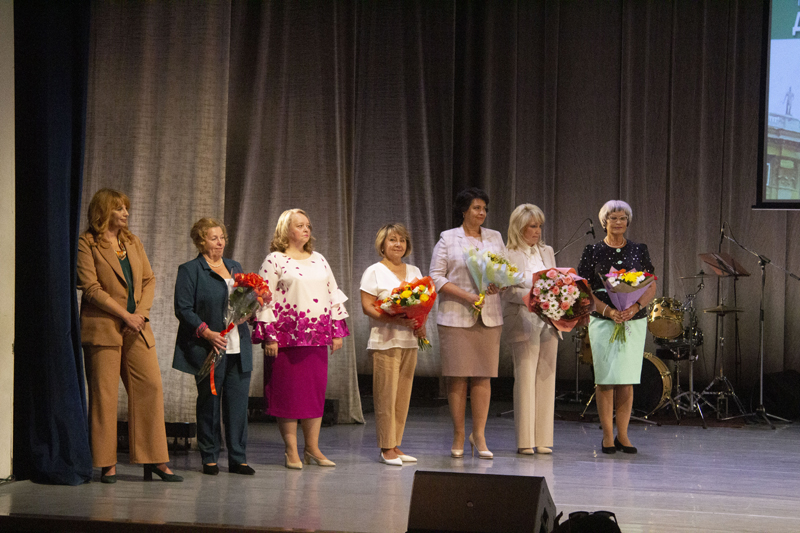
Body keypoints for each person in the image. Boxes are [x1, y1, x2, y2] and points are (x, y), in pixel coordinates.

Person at [76, 188, 182, 483]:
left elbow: (148, 279)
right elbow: (91, 288)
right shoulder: (87, 243)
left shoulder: (132, 242)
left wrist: (141, 316)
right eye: (119, 208)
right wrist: (125, 315)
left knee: (150, 386)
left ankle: (154, 459)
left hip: (137, 327)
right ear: (103, 211)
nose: (125, 213)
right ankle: (106, 463)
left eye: (126, 208)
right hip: (104, 328)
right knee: (105, 395)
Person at [253, 209, 349, 469]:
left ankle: (312, 448)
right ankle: (291, 450)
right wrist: (270, 336)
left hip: (316, 337)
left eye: (308, 225)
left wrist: (337, 330)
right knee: (288, 394)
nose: (306, 229)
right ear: (286, 230)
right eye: (299, 225)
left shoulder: (319, 259)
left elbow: (332, 293)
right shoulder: (275, 260)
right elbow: (264, 297)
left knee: (313, 394)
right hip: (286, 339)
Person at [173, 218, 255, 476]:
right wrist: (207, 332)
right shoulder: (190, 270)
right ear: (201, 241)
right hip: (209, 347)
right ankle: (209, 457)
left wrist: (249, 310)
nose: (220, 243)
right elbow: (183, 308)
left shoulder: (234, 266)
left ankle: (238, 458)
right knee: (209, 403)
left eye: (222, 237)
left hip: (238, 347)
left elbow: (244, 301)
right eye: (213, 238)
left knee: (238, 406)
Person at [429, 187, 504, 459]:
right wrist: (468, 296)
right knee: (458, 377)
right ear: (464, 211)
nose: (482, 213)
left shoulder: (495, 237)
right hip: (456, 316)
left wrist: (499, 284)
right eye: (476, 208)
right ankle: (459, 434)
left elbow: (504, 271)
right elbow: (436, 277)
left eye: (484, 208)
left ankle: (479, 435)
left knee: (483, 375)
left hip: (489, 316)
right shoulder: (448, 238)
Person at [577, 200, 656, 455]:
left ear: (628, 221)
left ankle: (623, 435)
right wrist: (608, 311)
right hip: (602, 321)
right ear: (604, 222)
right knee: (606, 379)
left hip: (633, 320)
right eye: (613, 218)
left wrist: (634, 307)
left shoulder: (639, 249)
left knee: (626, 380)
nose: (619, 222)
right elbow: (584, 288)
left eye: (623, 218)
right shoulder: (592, 250)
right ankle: (607, 437)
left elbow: (650, 284)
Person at [360, 224, 427, 466]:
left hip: (409, 340)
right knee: (386, 395)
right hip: (385, 341)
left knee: (402, 396)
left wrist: (420, 324)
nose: (398, 244)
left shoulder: (414, 270)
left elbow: (422, 303)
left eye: (402, 240)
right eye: (392, 240)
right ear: (382, 244)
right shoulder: (374, 271)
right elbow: (367, 307)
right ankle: (386, 447)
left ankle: (396, 443)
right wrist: (393, 319)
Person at [502, 204, 559, 455]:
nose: (537, 231)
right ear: (519, 228)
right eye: (532, 226)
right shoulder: (508, 253)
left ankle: (543, 439)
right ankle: (525, 440)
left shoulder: (547, 251)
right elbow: (507, 292)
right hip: (523, 317)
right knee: (525, 377)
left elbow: (557, 283)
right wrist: (534, 297)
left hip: (549, 320)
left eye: (539, 226)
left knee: (546, 376)